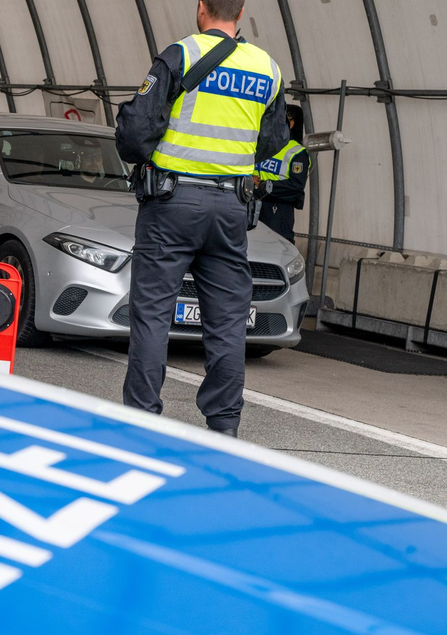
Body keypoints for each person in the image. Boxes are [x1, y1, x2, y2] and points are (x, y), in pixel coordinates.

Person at [115, 0, 288, 438]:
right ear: (241, 13)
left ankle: (141, 417)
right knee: (228, 322)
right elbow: (272, 140)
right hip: (231, 208)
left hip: (172, 203)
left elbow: (135, 132)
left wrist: (153, 155)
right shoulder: (268, 68)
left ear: (201, 8)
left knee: (154, 313)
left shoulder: (181, 54)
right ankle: (224, 426)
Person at [253, 104, 309, 243]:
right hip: (252, 205)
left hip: (277, 211)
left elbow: (295, 187)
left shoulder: (296, 152)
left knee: (275, 247)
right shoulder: (260, 144)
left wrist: (264, 185)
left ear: (291, 124)